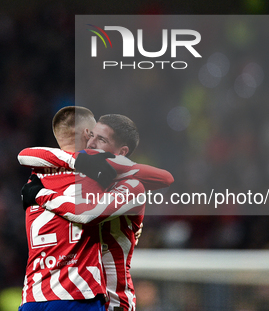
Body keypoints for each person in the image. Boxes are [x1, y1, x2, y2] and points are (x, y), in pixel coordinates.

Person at [19, 114, 173, 311]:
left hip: (115, 301)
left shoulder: (132, 185)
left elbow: (87, 214)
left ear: (121, 152)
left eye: (100, 139)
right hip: (84, 296)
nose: (90, 143)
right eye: (90, 136)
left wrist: (40, 194)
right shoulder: (86, 179)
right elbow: (24, 155)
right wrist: (77, 160)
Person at [19, 106, 119, 311]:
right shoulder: (97, 171)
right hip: (77, 295)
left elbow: (23, 154)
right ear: (87, 133)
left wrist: (39, 194)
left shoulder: (36, 175)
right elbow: (86, 214)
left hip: (34, 297)